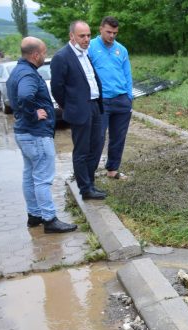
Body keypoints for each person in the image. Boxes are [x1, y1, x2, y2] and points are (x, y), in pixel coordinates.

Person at [7, 37, 77, 233]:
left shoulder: (17, 71)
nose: (45, 56)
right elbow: (24, 96)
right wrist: (33, 112)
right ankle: (49, 219)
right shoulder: (28, 75)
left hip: (23, 133)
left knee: (30, 176)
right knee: (42, 179)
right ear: (35, 54)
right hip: (36, 134)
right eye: (44, 52)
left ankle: (34, 215)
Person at [50, 20, 106, 200]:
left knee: (96, 147)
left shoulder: (85, 54)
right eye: (82, 36)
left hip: (95, 106)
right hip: (79, 110)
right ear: (71, 36)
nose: (86, 39)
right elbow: (57, 88)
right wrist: (69, 106)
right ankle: (85, 188)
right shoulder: (62, 57)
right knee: (82, 150)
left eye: (89, 35)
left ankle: (90, 183)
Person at [89, 16, 132, 180]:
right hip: (101, 101)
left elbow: (127, 74)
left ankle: (113, 169)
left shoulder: (121, 49)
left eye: (115, 33)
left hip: (121, 99)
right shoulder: (91, 47)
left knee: (118, 137)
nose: (112, 36)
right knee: (98, 137)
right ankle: (89, 173)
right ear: (100, 29)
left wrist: (129, 97)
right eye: (108, 32)